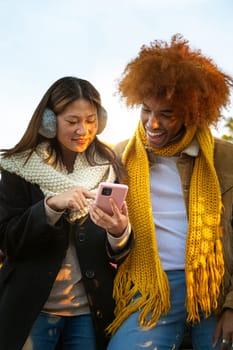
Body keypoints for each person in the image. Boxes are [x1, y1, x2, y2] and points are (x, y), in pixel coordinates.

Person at [105, 34, 233, 350]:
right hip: (151, 290)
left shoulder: (225, 158)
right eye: (147, 110)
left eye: (167, 114)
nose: (153, 123)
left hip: (214, 291)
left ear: (192, 113)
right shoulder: (120, 156)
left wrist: (232, 305)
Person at [0, 76, 133, 350]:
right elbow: (7, 239)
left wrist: (119, 232)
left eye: (91, 120)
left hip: (88, 311)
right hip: (30, 309)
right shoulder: (19, 167)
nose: (82, 130)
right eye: (72, 121)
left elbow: (118, 253)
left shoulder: (110, 169)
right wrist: (50, 207)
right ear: (49, 121)